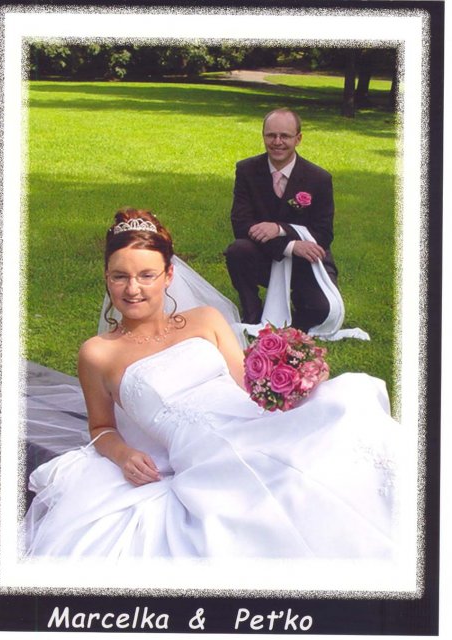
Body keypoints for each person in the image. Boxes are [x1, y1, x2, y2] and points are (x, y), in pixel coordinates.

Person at [24, 207, 409, 561]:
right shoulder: (98, 353)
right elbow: (101, 427)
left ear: (168, 275)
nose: (132, 289)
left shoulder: (205, 319)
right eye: (119, 276)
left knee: (342, 413)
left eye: (146, 275)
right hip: (200, 451)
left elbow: (250, 385)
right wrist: (124, 455)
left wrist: (295, 377)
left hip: (249, 419)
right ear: (106, 278)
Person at [225, 108, 339, 331]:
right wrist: (289, 246)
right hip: (264, 255)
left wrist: (280, 228)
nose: (277, 142)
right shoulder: (247, 170)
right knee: (238, 250)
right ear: (263, 136)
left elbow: (324, 233)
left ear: (298, 138)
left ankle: (298, 306)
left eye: (285, 136)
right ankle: (252, 313)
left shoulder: (319, 178)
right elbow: (241, 224)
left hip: (305, 260)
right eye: (271, 135)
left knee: (322, 312)